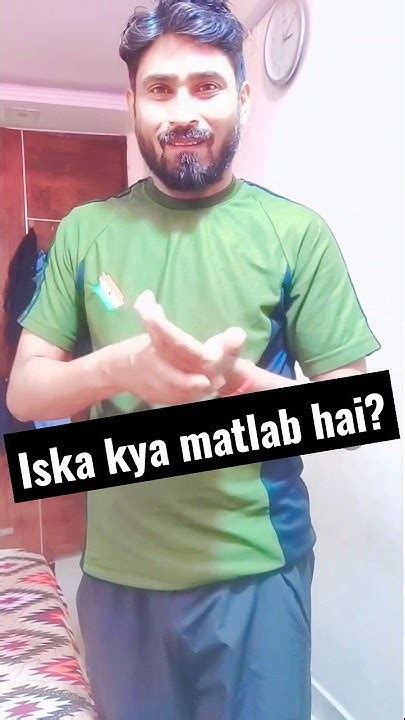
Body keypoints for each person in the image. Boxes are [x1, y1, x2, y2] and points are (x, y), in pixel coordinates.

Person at [6, 1, 380, 718]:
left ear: (243, 97)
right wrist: (116, 369)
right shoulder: (86, 231)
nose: (184, 111)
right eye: (160, 89)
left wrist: (247, 389)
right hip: (119, 581)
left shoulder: (295, 233)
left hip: (257, 574)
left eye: (206, 86)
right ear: (132, 104)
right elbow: (25, 393)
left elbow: (352, 412)